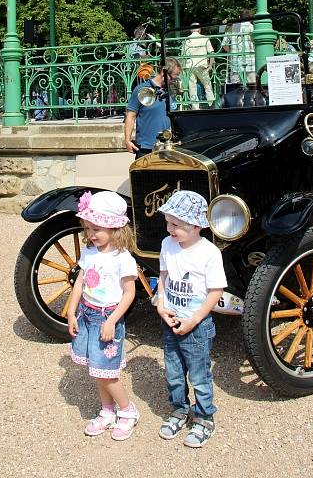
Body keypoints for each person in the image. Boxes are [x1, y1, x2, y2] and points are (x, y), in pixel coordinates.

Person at [156, 190, 227, 448]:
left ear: (196, 225)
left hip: (196, 326)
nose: (170, 229)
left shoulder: (209, 253)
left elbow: (215, 291)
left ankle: (205, 416)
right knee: (174, 372)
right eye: (168, 222)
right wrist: (161, 304)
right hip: (171, 320)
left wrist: (195, 319)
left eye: (176, 224)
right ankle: (179, 409)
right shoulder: (167, 245)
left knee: (199, 375)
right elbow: (163, 277)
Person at [67, 190, 139, 440]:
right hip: (87, 314)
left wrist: (111, 320)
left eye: (96, 229)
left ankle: (127, 411)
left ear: (114, 228)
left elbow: (129, 293)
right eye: (87, 228)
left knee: (107, 372)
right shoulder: (89, 253)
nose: (90, 234)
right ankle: (107, 410)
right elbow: (80, 282)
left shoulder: (123, 259)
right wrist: (72, 312)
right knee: (96, 369)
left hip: (107, 317)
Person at [124, 57, 182, 159]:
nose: (174, 81)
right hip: (146, 149)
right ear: (164, 73)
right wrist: (127, 140)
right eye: (173, 77)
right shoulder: (141, 90)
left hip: (167, 147)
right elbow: (131, 116)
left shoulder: (170, 91)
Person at [181, 23, 215, 109]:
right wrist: (210, 65)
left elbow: (183, 56)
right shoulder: (205, 38)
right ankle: (211, 105)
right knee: (207, 85)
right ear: (199, 29)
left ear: (191, 30)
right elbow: (211, 53)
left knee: (192, 87)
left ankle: (195, 107)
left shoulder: (186, 39)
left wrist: (183, 68)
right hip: (201, 64)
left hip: (190, 66)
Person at [221, 10, 255, 85]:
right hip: (251, 62)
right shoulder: (254, 28)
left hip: (235, 62)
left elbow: (224, 44)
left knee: (236, 88)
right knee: (252, 86)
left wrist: (231, 52)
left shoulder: (233, 28)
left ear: (239, 17)